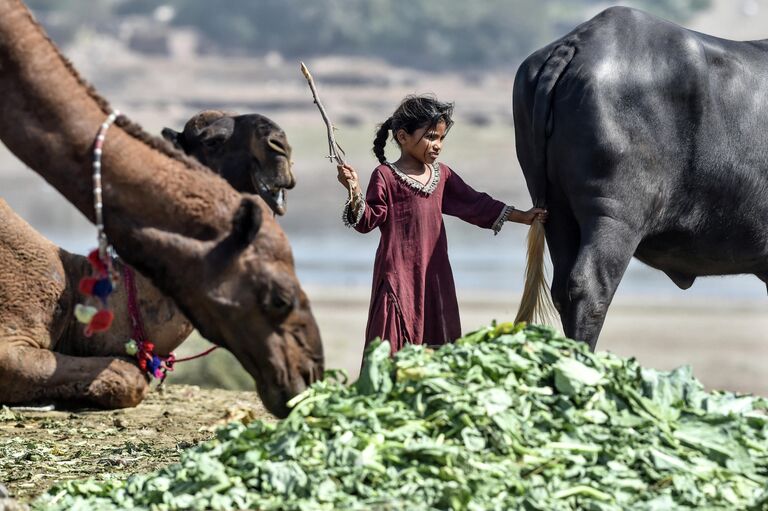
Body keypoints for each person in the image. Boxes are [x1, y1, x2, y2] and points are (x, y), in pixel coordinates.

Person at [337, 94, 547, 356]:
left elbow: (477, 204)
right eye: (431, 137)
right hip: (397, 279)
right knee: (390, 352)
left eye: (441, 139)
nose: (437, 145)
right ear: (402, 137)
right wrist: (353, 188)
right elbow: (366, 221)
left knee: (438, 351)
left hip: (435, 277)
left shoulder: (442, 175)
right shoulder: (386, 176)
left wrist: (523, 216)